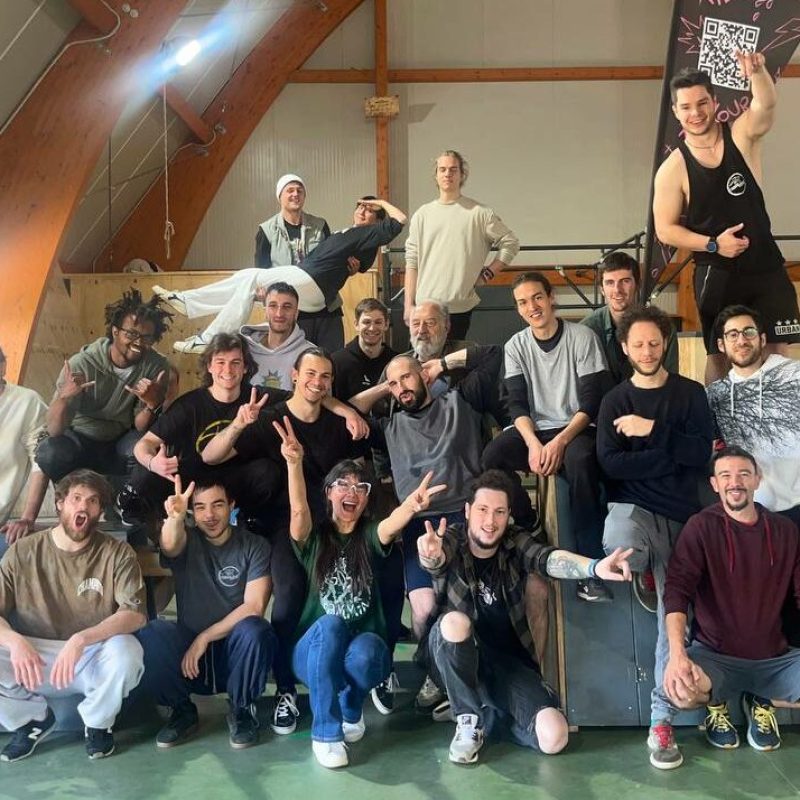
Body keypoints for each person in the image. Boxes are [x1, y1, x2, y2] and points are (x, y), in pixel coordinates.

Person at [201, 347, 369, 737]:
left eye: (325, 376)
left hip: (328, 525)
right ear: (294, 375)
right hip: (281, 524)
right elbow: (211, 457)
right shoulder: (272, 419)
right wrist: (240, 424)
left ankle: (354, 677)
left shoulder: (337, 424)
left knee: (353, 591)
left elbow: (359, 472)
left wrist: (350, 412)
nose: (317, 381)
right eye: (310, 373)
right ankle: (286, 689)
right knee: (290, 592)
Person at [352, 346, 523, 714]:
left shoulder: (460, 402)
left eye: (407, 378)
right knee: (423, 609)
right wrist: (388, 386)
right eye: (393, 384)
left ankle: (480, 673)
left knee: (472, 602)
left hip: (468, 517)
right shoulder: (388, 426)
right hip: (418, 522)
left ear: (424, 375)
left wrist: (442, 364)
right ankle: (436, 670)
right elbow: (351, 409)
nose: (401, 388)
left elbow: (494, 355)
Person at [419, 469, 632, 764]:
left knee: (554, 736)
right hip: (457, 657)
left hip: (506, 662)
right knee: (455, 623)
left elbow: (547, 558)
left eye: (499, 512)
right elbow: (436, 558)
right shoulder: (453, 538)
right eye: (482, 510)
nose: (490, 521)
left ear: (508, 516)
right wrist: (430, 555)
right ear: (467, 511)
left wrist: (593, 567)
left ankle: (489, 713)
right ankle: (468, 719)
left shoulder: (513, 541)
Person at [276, 414, 445, 768]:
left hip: (357, 652)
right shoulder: (316, 538)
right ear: (328, 493)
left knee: (371, 650)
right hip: (311, 653)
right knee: (332, 625)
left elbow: (388, 527)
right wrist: (294, 464)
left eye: (361, 487)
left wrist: (411, 507)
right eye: (343, 485)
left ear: (367, 499)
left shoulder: (368, 536)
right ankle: (326, 732)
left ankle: (352, 708)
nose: (352, 492)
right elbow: (298, 511)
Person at [596, 306, 714, 769]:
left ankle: (661, 723)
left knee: (674, 619)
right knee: (618, 539)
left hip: (686, 519)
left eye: (654, 342)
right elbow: (611, 463)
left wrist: (651, 432)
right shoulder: (614, 400)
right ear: (624, 348)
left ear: (664, 344)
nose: (646, 351)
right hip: (636, 512)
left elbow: (701, 454)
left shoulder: (689, 394)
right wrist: (671, 453)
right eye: (637, 344)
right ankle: (641, 570)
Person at [653, 52, 800, 384]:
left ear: (713, 101)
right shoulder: (673, 169)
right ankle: (717, 433)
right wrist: (713, 244)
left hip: (765, 266)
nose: (695, 113)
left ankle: (781, 431)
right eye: (686, 107)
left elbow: (766, 107)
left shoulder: (740, 136)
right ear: (676, 111)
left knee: (777, 352)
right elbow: (665, 229)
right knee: (719, 353)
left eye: (702, 103)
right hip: (717, 273)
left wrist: (759, 72)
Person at [662, 446, 800, 762]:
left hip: (774, 659)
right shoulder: (701, 527)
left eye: (743, 474)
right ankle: (717, 703)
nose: (734, 482)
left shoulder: (784, 530)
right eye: (726, 475)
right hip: (715, 657)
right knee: (683, 691)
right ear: (714, 484)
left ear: (757, 480)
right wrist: (677, 655)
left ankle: (761, 701)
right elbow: (677, 591)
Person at [0, 470, 146, 762]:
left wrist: (82, 639)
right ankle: (30, 721)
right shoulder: (23, 551)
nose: (83, 507)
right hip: (35, 656)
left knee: (128, 651)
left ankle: (97, 724)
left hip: (90, 653)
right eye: (76, 498)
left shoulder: (117, 552)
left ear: (100, 512)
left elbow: (135, 615)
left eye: (92, 502)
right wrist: (15, 642)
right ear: (60, 503)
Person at [481, 272, 610, 601]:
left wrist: (560, 442)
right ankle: (527, 522)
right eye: (523, 302)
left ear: (552, 298)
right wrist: (535, 444)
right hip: (534, 430)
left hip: (576, 427)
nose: (532, 306)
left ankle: (589, 568)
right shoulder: (515, 346)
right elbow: (516, 405)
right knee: (491, 459)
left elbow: (592, 403)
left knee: (582, 462)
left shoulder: (582, 337)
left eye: (537, 297)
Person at [160, 198, 406, 354]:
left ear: (378, 218)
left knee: (250, 278)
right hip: (308, 282)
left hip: (312, 283)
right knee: (248, 277)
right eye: (360, 206)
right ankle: (189, 306)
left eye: (370, 209)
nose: (363, 211)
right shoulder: (348, 232)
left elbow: (399, 221)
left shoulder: (368, 235)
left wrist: (382, 202)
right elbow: (353, 264)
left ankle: (206, 333)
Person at [136, 478, 276, 750]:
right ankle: (181, 711)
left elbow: (255, 606)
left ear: (232, 506)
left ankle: (241, 709)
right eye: (200, 508)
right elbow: (170, 546)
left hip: (234, 656)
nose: (209, 516)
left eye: (217, 505)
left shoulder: (254, 545)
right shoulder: (187, 540)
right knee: (153, 632)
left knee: (257, 630)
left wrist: (205, 638)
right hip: (191, 662)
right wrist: (175, 518)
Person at [118, 333, 290, 538]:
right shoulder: (190, 405)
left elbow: (304, 397)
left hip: (235, 481)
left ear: (245, 368)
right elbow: (144, 444)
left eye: (236, 362)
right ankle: (148, 517)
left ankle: (247, 521)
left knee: (268, 471)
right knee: (145, 472)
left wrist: (339, 410)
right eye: (220, 362)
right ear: (209, 366)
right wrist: (153, 462)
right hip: (193, 480)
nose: (228, 370)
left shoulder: (258, 397)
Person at [35, 289, 173, 485]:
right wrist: (65, 397)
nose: (139, 342)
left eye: (146, 337)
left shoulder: (156, 366)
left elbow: (140, 426)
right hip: (79, 438)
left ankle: (123, 503)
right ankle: (69, 499)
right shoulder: (81, 363)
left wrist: (152, 404)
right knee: (50, 452)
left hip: (120, 438)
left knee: (146, 448)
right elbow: (55, 429)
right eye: (131, 334)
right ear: (115, 331)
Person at [403, 150, 520, 338]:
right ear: (436, 175)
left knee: (451, 366)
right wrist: (409, 305)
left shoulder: (479, 213)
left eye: (453, 169)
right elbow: (412, 261)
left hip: (458, 308)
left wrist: (488, 273)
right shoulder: (422, 215)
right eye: (442, 169)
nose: (447, 174)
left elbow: (511, 243)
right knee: (420, 365)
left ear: (461, 175)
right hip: (424, 308)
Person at [707, 305, 800, 529]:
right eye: (733, 334)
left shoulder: (794, 375)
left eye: (748, 332)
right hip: (751, 510)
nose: (741, 340)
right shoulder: (715, 395)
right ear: (722, 344)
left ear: (762, 338)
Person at [255, 174, 338, 350]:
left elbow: (332, 259)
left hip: (326, 306)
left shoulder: (320, 225)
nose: (295, 194)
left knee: (331, 361)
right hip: (291, 311)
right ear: (280, 196)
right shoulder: (266, 230)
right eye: (290, 190)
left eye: (299, 191)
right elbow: (261, 272)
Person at [581, 252, 678, 384]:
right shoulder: (587, 330)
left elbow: (670, 380)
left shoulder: (662, 326)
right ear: (602, 289)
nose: (617, 290)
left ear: (637, 284)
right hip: (603, 403)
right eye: (610, 283)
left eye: (625, 281)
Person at [0, 345, 48, 556]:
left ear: (3, 367)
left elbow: (42, 461)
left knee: (18, 553)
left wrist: (28, 518)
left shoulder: (26, 402)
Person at [240, 282, 316, 390]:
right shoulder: (243, 348)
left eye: (287, 307)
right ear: (265, 311)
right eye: (273, 306)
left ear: (296, 313)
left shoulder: (310, 354)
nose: (279, 313)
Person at [330, 298, 397, 403]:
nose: (372, 328)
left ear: (386, 325)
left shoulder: (396, 362)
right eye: (366, 322)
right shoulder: (336, 362)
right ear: (356, 324)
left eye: (378, 322)